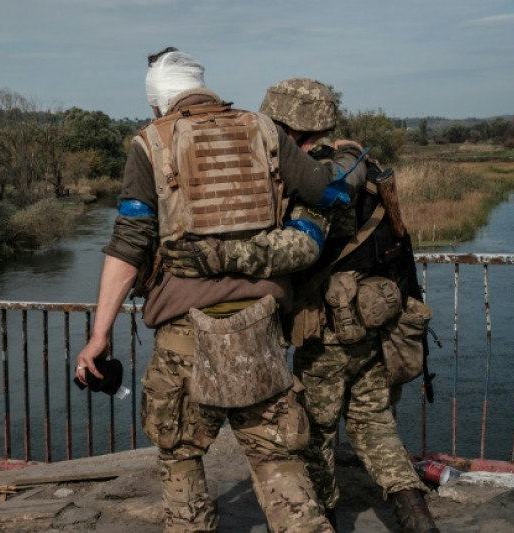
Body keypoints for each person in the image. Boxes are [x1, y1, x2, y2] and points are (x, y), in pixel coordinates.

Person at [75, 48, 368, 533]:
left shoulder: (151, 142)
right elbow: (330, 192)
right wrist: (352, 155)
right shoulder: (264, 130)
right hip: (258, 329)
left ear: (157, 101)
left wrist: (99, 334)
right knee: (277, 457)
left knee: (181, 456)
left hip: (183, 336)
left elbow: (129, 245)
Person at [162, 78, 440, 533]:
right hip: (379, 317)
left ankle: (322, 517)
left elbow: (298, 249)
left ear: (287, 128)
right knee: (373, 419)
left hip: (331, 327)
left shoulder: (318, 178)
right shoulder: (360, 167)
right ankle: (416, 514)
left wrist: (215, 256)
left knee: (312, 431)